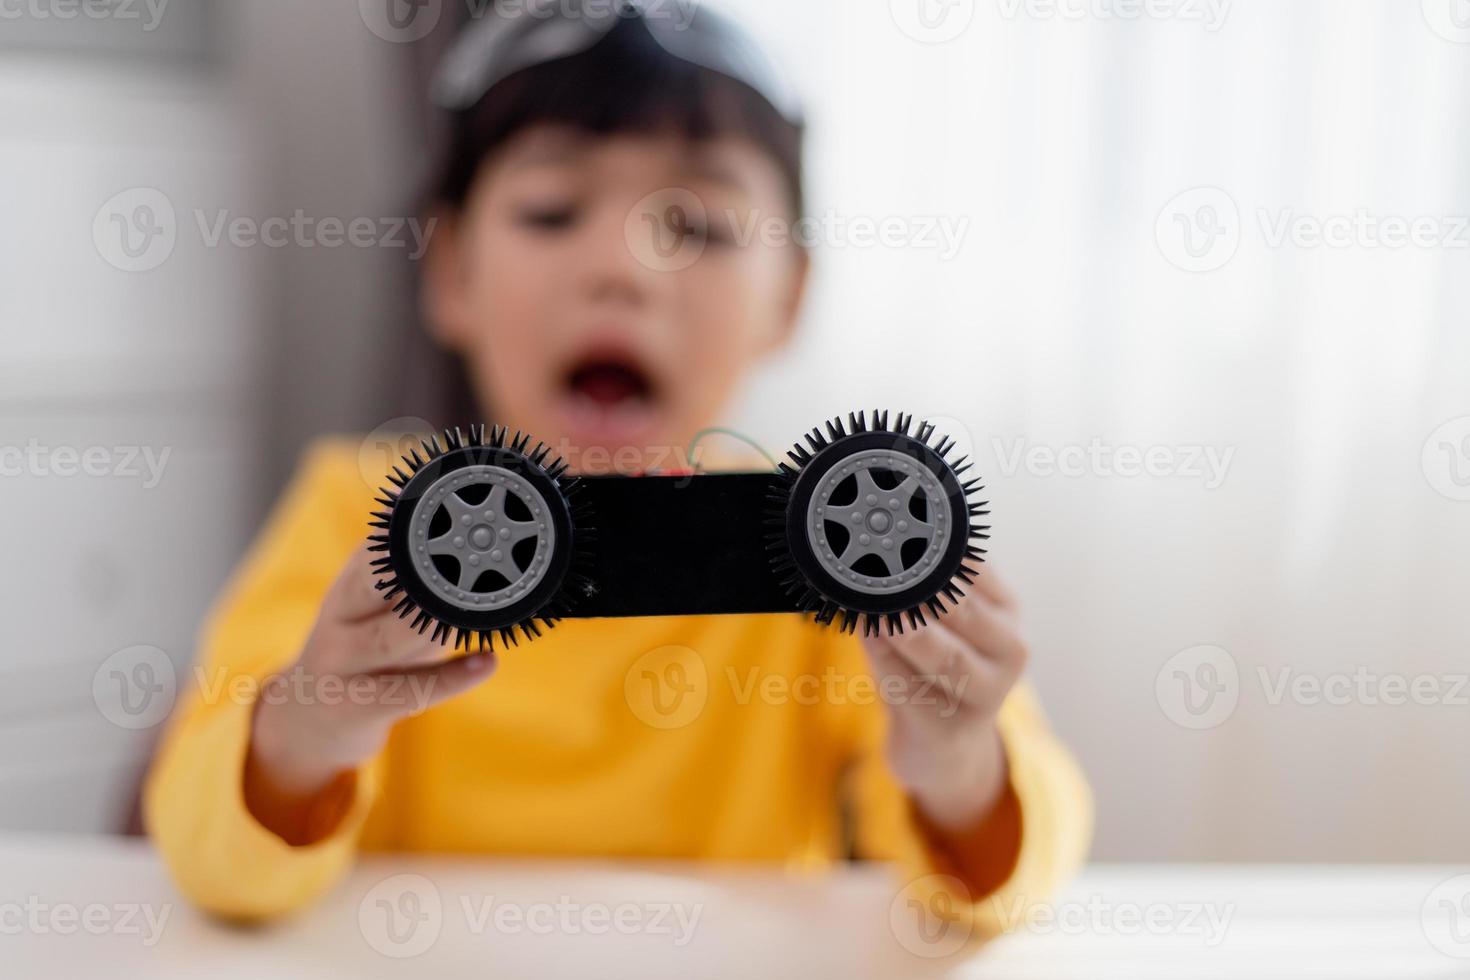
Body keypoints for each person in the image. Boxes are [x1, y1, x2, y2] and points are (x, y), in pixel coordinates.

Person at [145, 2, 1092, 940]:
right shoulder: (354, 514)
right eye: (552, 211)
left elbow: (995, 892)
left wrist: (957, 761)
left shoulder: (835, 548)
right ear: (451, 273)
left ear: (790, 296)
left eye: (701, 227)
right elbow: (208, 857)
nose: (622, 268)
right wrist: (305, 732)